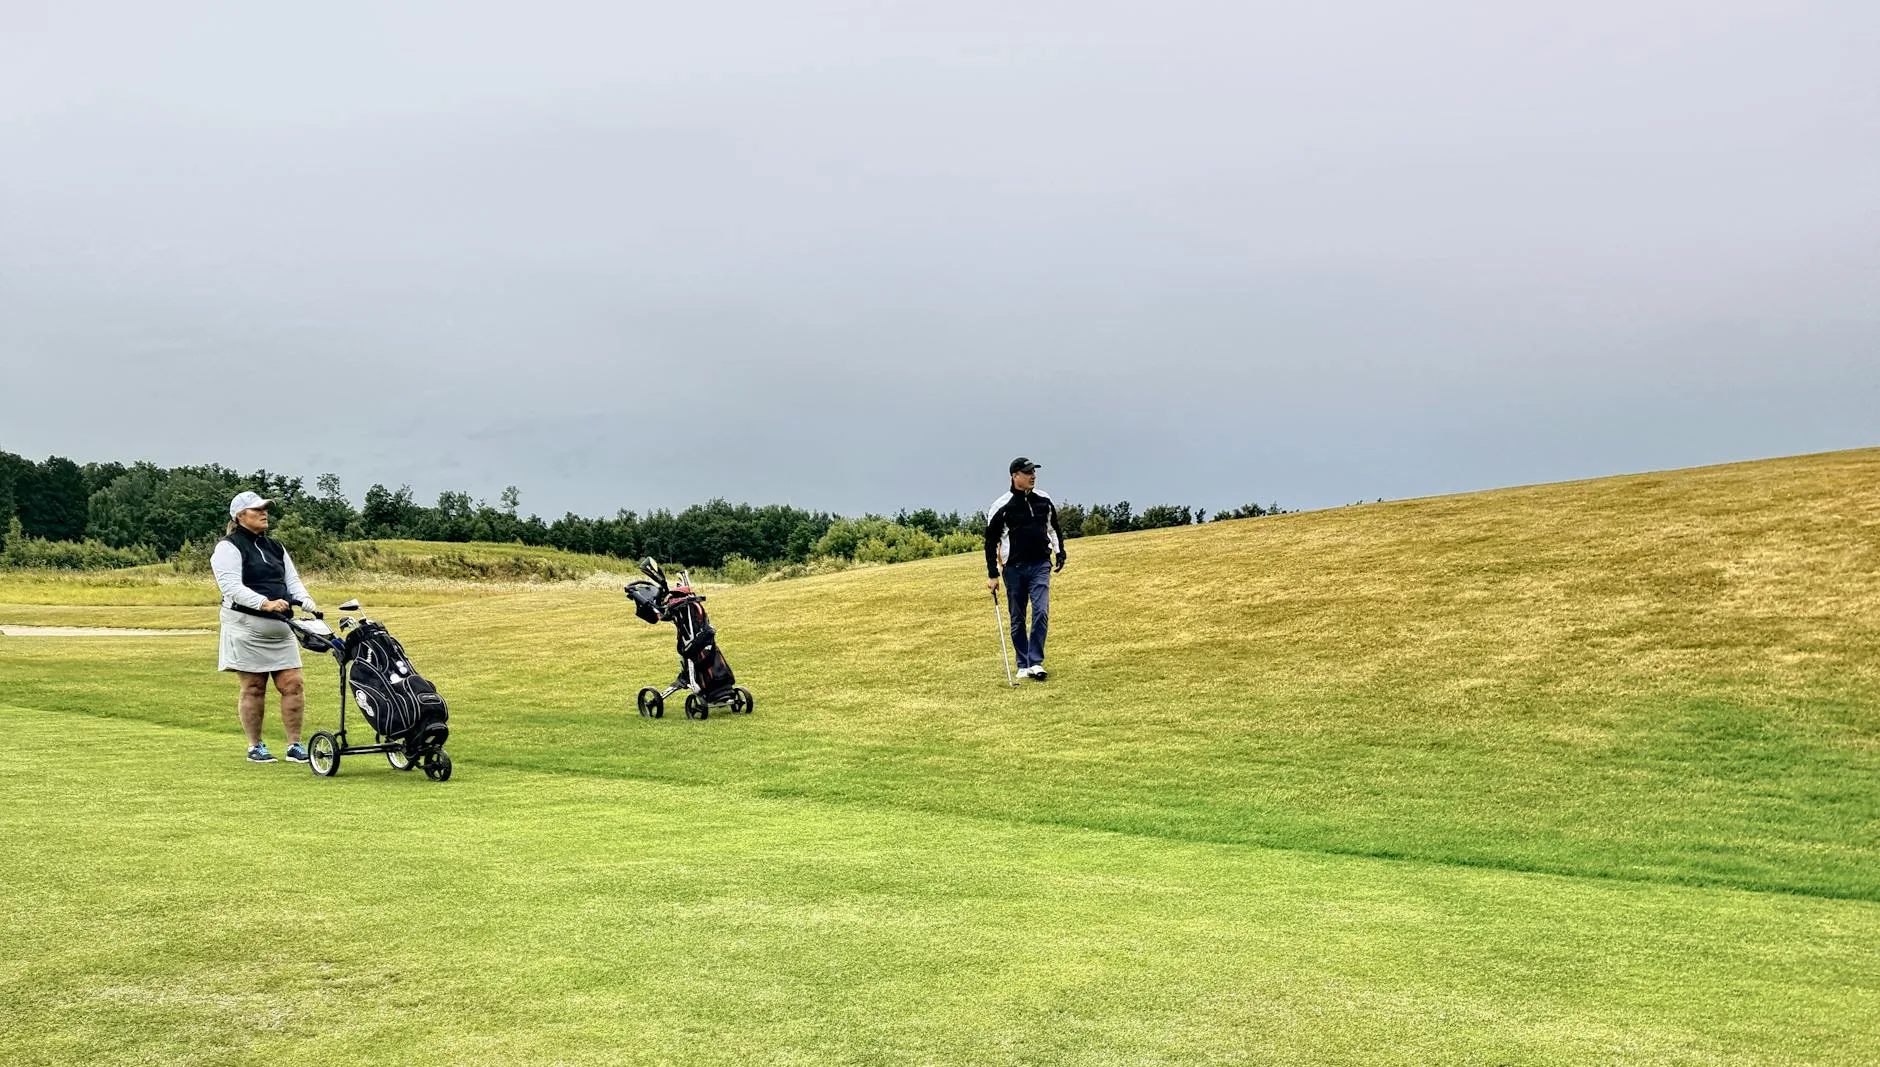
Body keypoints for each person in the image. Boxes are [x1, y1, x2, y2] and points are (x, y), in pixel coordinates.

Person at [212, 490, 318, 763]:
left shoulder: (275, 546)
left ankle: (294, 745)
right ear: (240, 516)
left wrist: (305, 600)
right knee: (254, 686)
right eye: (257, 509)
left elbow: (291, 581)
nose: (263, 512)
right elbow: (231, 587)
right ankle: (255, 745)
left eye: (265, 508)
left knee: (293, 684)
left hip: (280, 627)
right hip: (246, 627)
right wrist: (264, 603)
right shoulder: (229, 547)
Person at [985, 457, 1066, 680]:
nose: (1033, 476)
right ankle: (1023, 663)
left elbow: (1053, 528)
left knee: (1041, 611)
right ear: (1015, 476)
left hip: (1040, 563)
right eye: (1027, 472)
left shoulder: (1044, 499)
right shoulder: (1001, 506)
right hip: (1013, 568)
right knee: (1017, 617)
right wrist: (992, 574)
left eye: (1033, 472)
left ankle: (1036, 661)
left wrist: (1059, 552)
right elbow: (990, 541)